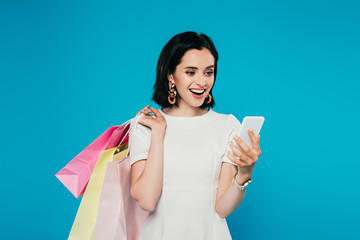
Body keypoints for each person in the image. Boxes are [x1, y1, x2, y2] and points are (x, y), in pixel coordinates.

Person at [128, 31, 262, 239]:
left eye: (208, 72)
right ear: (171, 75)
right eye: (191, 72)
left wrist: (244, 174)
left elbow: (222, 209)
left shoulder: (227, 125)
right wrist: (159, 132)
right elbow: (147, 200)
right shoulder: (145, 125)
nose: (202, 82)